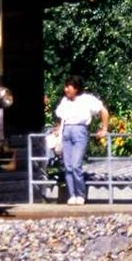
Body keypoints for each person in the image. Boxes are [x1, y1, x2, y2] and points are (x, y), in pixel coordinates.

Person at [53, 76, 108, 205]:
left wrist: (104, 128)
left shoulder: (87, 100)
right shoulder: (64, 101)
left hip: (80, 131)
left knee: (76, 164)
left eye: (69, 86)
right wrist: (59, 129)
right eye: (65, 86)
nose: (66, 89)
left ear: (76, 88)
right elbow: (62, 117)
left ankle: (80, 194)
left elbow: (103, 111)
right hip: (66, 132)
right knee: (68, 166)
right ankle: (71, 195)